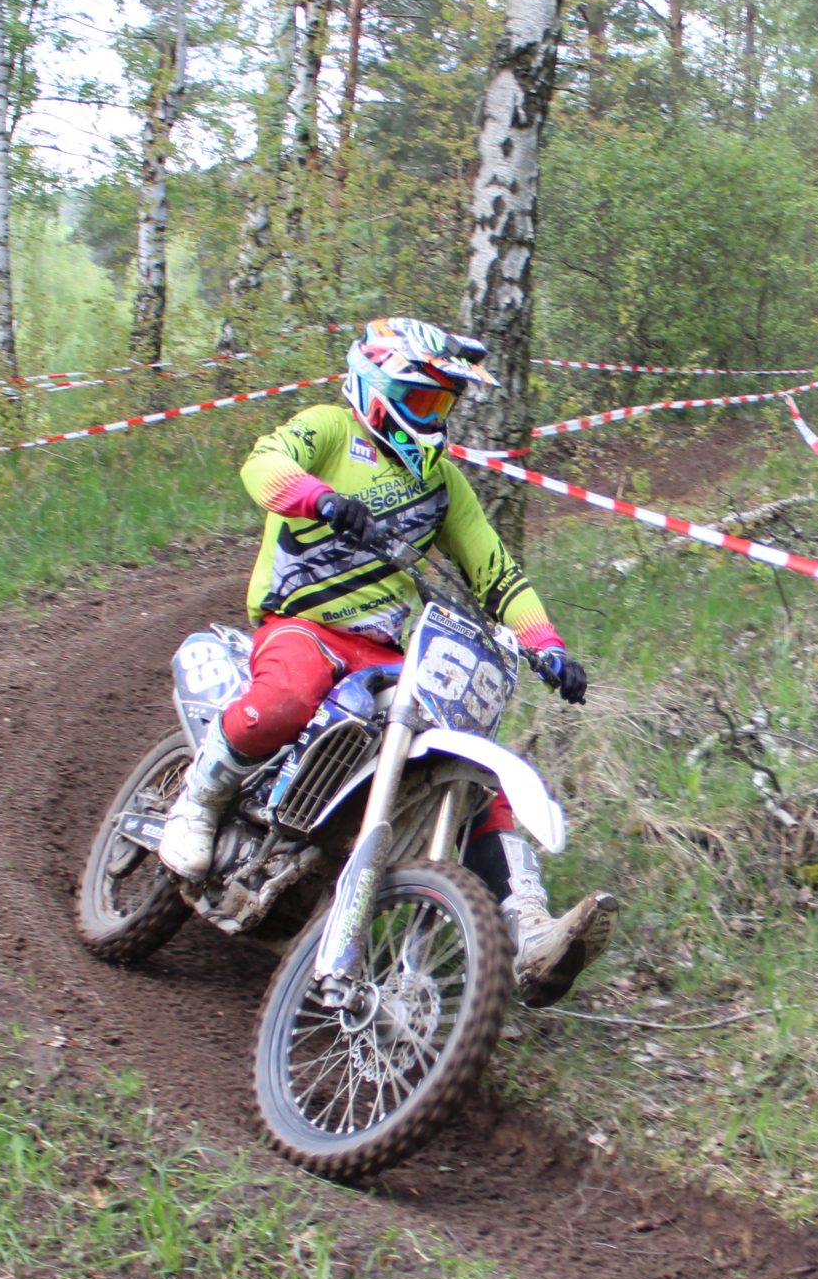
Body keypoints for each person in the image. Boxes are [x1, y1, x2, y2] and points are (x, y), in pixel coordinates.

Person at [157, 316, 615, 1006]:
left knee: (475, 773)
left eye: (441, 403)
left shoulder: (442, 484)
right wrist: (321, 498)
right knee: (289, 695)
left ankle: (526, 926)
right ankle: (200, 798)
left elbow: (496, 572)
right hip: (305, 624)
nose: (431, 415)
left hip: (392, 653)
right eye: (419, 398)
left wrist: (546, 644)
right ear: (375, 387)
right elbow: (262, 464)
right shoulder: (328, 429)